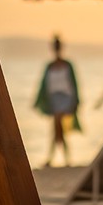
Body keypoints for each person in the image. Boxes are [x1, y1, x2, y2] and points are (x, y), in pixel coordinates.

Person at [34, 34, 80, 167]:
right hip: (54, 100)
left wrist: (75, 101)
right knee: (57, 128)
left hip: (65, 99)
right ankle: (64, 159)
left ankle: (54, 158)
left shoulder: (67, 65)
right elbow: (44, 85)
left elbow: (74, 84)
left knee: (57, 125)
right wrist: (38, 101)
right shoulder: (49, 66)